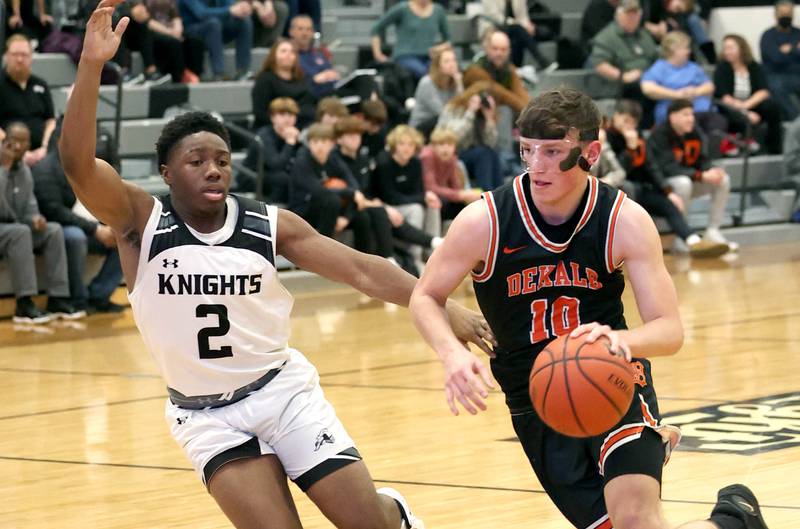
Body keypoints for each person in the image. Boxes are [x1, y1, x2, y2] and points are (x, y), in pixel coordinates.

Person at [59, 2, 494, 528]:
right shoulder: (140, 222)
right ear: (167, 173)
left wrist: (446, 311)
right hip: (205, 415)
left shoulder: (267, 224)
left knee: (368, 525)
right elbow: (78, 165)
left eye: (221, 159)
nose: (213, 169)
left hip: (282, 393)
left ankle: (395, 514)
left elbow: (362, 269)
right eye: (196, 161)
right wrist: (90, 66)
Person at [409, 88, 770, 529]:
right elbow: (425, 295)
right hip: (534, 397)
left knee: (636, 520)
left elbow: (669, 330)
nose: (537, 164)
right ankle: (733, 522)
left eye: (553, 151)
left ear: (591, 152)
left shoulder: (624, 220)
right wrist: (451, 354)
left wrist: (620, 341)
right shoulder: (484, 220)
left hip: (614, 379)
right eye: (527, 150)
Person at [607, 99, 730, 257]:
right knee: (631, 189)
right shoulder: (606, 137)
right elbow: (618, 170)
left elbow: (651, 167)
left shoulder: (637, 136)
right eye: (625, 121)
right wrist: (630, 149)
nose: (629, 126)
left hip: (641, 188)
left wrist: (667, 191)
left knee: (668, 204)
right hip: (617, 189)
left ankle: (694, 241)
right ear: (615, 116)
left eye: (633, 123)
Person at [1, 122, 83, 323]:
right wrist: (4, 168)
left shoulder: (25, 172)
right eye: (14, 141)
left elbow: (29, 205)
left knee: (53, 230)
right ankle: (24, 303)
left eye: (23, 141)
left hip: (15, 228)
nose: (19, 146)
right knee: (20, 232)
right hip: (7, 229)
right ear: (5, 142)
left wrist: (35, 219)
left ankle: (58, 297)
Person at [32, 147, 126, 314]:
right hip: (58, 227)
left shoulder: (88, 164)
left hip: (88, 224)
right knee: (75, 238)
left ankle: (98, 296)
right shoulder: (46, 169)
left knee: (125, 236)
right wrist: (95, 229)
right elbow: (56, 212)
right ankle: (77, 299)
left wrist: (109, 224)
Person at [647, 99, 738, 252]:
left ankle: (713, 231)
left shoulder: (695, 132)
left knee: (723, 180)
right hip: (664, 187)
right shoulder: (659, 135)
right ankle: (682, 235)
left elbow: (703, 159)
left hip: (691, 178)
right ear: (672, 117)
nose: (691, 118)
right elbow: (668, 169)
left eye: (692, 114)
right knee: (683, 183)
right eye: (685, 114)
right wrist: (700, 176)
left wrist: (709, 171)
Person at [373, 125, 442, 274]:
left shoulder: (415, 163)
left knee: (433, 204)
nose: (406, 148)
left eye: (410, 144)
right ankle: (415, 257)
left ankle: (434, 255)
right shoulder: (384, 163)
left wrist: (425, 197)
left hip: (408, 204)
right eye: (402, 144)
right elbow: (390, 196)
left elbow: (419, 191)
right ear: (394, 145)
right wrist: (420, 198)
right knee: (416, 208)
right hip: (388, 207)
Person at [641, 31, 727, 139]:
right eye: (685, 48)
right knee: (690, 125)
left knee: (718, 122)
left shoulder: (693, 67)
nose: (689, 51)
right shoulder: (660, 67)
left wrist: (695, 92)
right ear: (673, 48)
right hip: (676, 112)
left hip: (702, 111)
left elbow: (709, 86)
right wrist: (677, 95)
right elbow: (648, 88)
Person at [590, 0, 659, 128]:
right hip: (621, 86)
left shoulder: (644, 35)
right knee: (638, 91)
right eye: (628, 14)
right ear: (618, 15)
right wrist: (623, 76)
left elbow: (656, 58)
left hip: (649, 80)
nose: (632, 18)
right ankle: (641, 130)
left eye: (635, 14)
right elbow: (600, 64)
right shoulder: (606, 37)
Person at [715, 34, 783, 155]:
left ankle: (774, 149)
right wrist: (745, 112)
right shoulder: (722, 68)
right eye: (725, 48)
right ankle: (740, 142)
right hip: (731, 107)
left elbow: (763, 91)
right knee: (730, 113)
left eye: (730, 48)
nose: (727, 51)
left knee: (773, 108)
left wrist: (746, 106)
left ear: (741, 48)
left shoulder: (753, 66)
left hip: (749, 103)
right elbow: (724, 97)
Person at [0, 34, 56, 165]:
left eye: (24, 55)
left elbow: (50, 121)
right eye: (15, 54)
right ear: (6, 56)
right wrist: (18, 152)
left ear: (31, 57)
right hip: (7, 153)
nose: (20, 59)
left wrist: (45, 147)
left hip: (42, 155)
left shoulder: (41, 84)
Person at [436, 91, 504, 192]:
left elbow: (492, 143)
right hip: (454, 154)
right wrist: (470, 112)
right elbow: (453, 138)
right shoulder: (454, 110)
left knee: (492, 153)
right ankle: (487, 194)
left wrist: (489, 117)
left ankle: (500, 194)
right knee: (483, 153)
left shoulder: (482, 117)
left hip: (477, 158)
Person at [370, 0, 451, 81]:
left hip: (429, 57)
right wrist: (378, 54)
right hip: (405, 56)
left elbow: (448, 40)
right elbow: (376, 29)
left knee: (443, 70)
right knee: (423, 72)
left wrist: (438, 49)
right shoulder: (402, 8)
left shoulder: (438, 11)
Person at [241, 97, 301, 201]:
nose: (287, 119)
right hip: (252, 176)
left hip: (273, 176)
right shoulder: (265, 135)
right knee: (282, 178)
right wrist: (290, 142)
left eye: (291, 115)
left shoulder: (296, 134)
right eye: (282, 115)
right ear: (273, 117)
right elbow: (275, 164)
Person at [177, 0, 254, 81]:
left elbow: (231, 6)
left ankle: (243, 71)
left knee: (244, 21)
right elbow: (202, 14)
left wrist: (241, 9)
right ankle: (219, 73)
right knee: (213, 24)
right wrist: (230, 10)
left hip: (217, 28)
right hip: (192, 30)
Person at [251, 37, 317, 129]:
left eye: (292, 52)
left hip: (303, 126)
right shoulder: (265, 79)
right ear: (274, 55)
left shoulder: (302, 77)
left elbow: (310, 104)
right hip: (271, 128)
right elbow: (260, 112)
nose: (288, 55)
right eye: (283, 51)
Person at [420, 127, 482, 221]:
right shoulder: (426, 157)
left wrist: (467, 195)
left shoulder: (452, 158)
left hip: (442, 196)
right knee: (441, 202)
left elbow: (455, 186)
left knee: (471, 204)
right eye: (441, 144)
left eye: (449, 145)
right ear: (433, 146)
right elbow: (431, 187)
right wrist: (460, 195)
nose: (446, 149)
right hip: (424, 196)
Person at [478, 0, 557, 71]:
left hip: (515, 29)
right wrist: (514, 23)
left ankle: (515, 67)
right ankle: (542, 61)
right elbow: (494, 16)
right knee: (518, 30)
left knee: (519, 34)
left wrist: (527, 25)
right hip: (493, 26)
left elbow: (523, 16)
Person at [409, 45, 463, 137]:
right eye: (447, 61)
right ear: (438, 65)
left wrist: (459, 84)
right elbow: (441, 113)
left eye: (454, 60)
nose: (452, 64)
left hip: (444, 124)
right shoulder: (427, 83)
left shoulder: (455, 81)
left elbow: (462, 105)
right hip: (422, 127)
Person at [759, 0, 800, 120]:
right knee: (777, 87)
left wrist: (788, 49)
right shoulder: (768, 35)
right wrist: (796, 50)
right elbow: (776, 58)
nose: (786, 16)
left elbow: (780, 56)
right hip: (775, 75)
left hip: (797, 75)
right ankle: (796, 120)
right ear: (776, 15)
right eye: (783, 13)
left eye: (789, 13)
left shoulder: (798, 33)